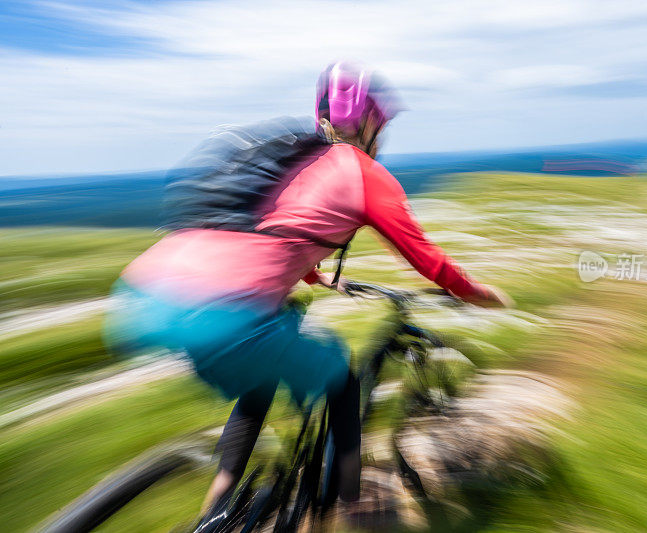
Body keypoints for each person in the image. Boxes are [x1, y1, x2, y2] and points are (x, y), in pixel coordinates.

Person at [105, 61, 509, 524]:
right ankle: (348, 504)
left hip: (146, 295)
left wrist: (315, 277)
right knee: (341, 376)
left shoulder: (292, 160)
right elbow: (424, 257)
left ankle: (215, 504)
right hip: (223, 313)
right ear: (372, 124)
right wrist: (474, 291)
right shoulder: (364, 174)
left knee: (262, 373)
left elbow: (269, 231)